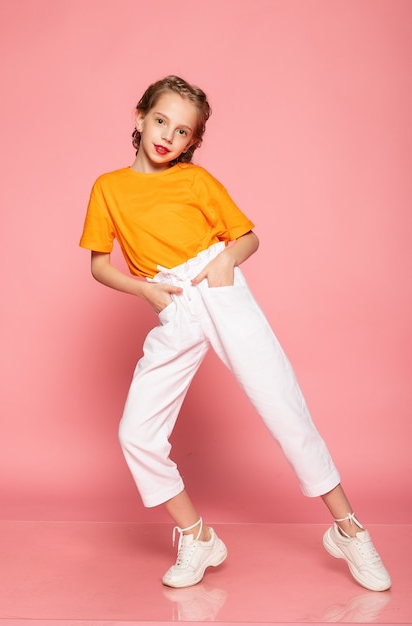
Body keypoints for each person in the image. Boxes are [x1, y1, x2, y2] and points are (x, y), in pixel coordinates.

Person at [79, 75, 391, 592]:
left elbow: (247, 236)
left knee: (282, 405)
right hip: (170, 300)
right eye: (161, 121)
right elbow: (98, 265)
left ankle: (348, 529)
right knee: (136, 432)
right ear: (139, 117)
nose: (167, 137)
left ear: (191, 142)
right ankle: (196, 535)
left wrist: (225, 262)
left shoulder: (196, 182)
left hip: (216, 285)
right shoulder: (108, 187)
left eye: (182, 132)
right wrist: (146, 292)